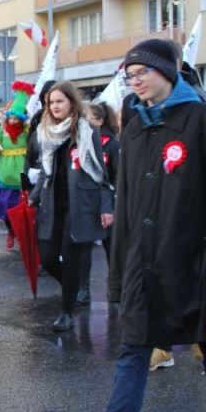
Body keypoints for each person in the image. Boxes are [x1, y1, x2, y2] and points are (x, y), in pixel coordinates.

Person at [59, 38, 206, 412]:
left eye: (142, 71)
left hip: (192, 260)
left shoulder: (205, 121)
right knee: (134, 349)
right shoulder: (135, 124)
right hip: (143, 260)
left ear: (169, 71)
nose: (135, 79)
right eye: (130, 74)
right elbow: (129, 201)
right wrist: (121, 265)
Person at [28, 81, 113, 331]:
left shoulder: (87, 130)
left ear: (71, 103)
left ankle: (66, 312)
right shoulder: (45, 131)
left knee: (73, 257)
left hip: (81, 205)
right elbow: (44, 171)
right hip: (52, 205)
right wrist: (34, 196)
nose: (54, 106)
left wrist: (106, 207)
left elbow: (100, 171)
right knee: (49, 257)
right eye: (51, 102)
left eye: (59, 101)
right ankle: (72, 288)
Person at [0, 81, 35, 249]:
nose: (12, 121)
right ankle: (10, 231)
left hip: (22, 174)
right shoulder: (0, 132)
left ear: (22, 119)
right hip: (4, 174)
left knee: (23, 208)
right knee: (4, 207)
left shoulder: (28, 132)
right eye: (10, 117)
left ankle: (22, 234)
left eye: (16, 118)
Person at [80, 101, 120, 308]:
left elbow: (117, 175)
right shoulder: (82, 141)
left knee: (111, 247)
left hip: (108, 202)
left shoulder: (112, 144)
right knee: (84, 248)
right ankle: (83, 290)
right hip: (87, 202)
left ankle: (115, 288)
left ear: (100, 121)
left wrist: (109, 200)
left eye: (90, 118)